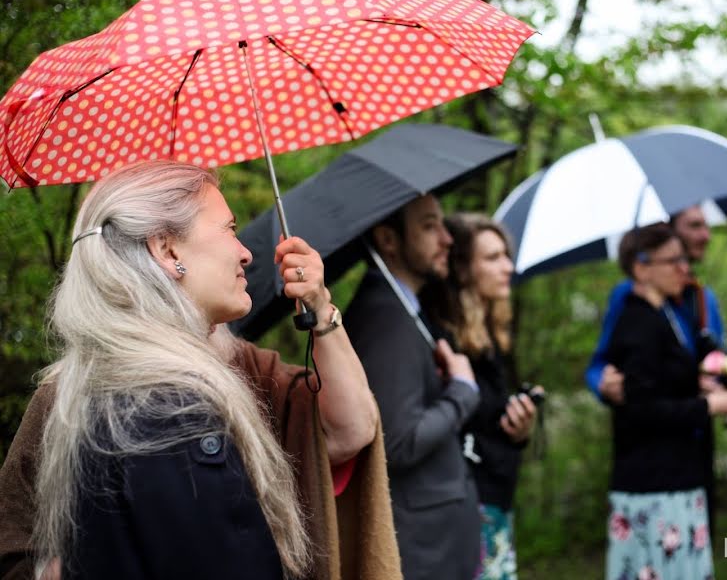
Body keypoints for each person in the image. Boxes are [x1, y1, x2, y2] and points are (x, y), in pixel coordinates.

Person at [0, 161, 400, 580]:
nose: (246, 252)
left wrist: (319, 307)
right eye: (229, 229)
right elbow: (13, 549)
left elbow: (350, 431)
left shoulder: (244, 368)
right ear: (168, 250)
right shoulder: (72, 395)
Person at [343, 195, 482, 580]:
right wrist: (462, 392)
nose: (447, 239)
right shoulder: (386, 318)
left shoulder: (404, 310)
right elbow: (398, 442)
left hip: (438, 543)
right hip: (423, 550)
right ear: (388, 239)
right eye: (428, 226)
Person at [603, 223, 727, 580]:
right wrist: (710, 406)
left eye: (684, 259)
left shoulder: (663, 315)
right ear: (641, 268)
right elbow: (641, 410)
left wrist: (702, 382)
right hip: (654, 489)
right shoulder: (636, 323)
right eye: (673, 261)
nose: (685, 268)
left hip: (676, 479)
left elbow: (660, 384)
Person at [584, 204, 725, 536]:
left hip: (694, 443)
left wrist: (719, 378)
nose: (704, 235)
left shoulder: (704, 299)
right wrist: (603, 386)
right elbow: (602, 362)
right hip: (653, 459)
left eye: (706, 226)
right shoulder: (629, 300)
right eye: (694, 226)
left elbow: (712, 359)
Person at [420, 213, 541, 580]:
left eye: (506, 255)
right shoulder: (442, 341)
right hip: (465, 511)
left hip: (496, 504)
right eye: (492, 258)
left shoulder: (489, 338)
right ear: (462, 268)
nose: (508, 266)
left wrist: (519, 426)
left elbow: (487, 422)